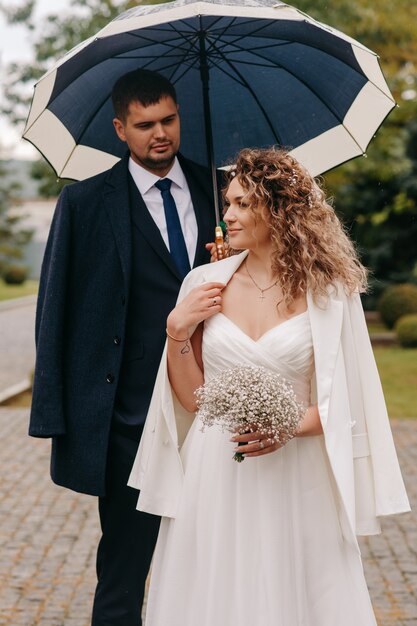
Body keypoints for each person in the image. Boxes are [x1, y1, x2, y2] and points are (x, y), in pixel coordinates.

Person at [128, 147, 410, 626]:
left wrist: (288, 427)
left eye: (242, 204)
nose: (228, 215)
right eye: (228, 202)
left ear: (277, 210)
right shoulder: (203, 283)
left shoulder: (330, 292)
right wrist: (178, 329)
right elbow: (192, 399)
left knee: (297, 593)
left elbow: (347, 402)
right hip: (214, 470)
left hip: (296, 473)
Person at [28, 68, 219, 625]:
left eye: (169, 120)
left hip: (216, 409)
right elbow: (54, 310)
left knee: (214, 559)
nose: (160, 134)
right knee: (124, 568)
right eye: (144, 125)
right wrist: (57, 415)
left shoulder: (222, 192)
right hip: (126, 421)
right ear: (120, 128)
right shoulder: (85, 203)